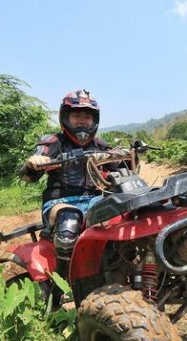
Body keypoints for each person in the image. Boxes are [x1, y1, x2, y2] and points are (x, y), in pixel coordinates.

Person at [20, 89, 117, 260]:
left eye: (87, 117)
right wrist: (34, 163)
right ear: (65, 117)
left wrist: (131, 155)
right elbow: (27, 177)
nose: (82, 121)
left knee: (121, 215)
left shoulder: (101, 145)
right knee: (69, 222)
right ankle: (63, 275)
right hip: (60, 203)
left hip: (95, 201)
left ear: (94, 120)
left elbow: (121, 166)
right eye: (76, 115)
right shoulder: (54, 142)